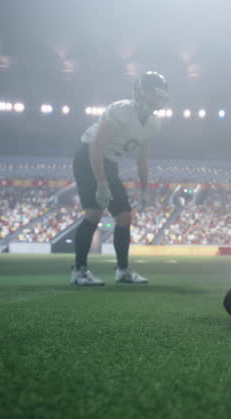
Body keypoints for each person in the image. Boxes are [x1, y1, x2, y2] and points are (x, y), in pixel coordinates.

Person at [68, 71, 166, 286]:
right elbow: (96, 147)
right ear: (141, 92)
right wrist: (102, 184)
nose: (157, 99)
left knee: (124, 216)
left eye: (160, 95)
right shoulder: (121, 110)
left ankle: (122, 270)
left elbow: (142, 159)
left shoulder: (152, 123)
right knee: (94, 213)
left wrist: (144, 189)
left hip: (110, 163)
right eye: (154, 93)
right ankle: (79, 271)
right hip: (89, 157)